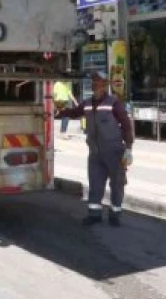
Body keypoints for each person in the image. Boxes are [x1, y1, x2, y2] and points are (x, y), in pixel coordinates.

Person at [57, 71, 134, 226]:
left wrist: (129, 148)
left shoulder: (114, 103)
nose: (95, 86)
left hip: (114, 152)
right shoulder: (87, 104)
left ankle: (115, 214)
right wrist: (61, 111)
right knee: (95, 184)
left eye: (98, 83)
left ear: (104, 86)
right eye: (94, 83)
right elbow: (74, 113)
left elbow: (126, 126)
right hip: (95, 153)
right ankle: (94, 214)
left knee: (117, 184)